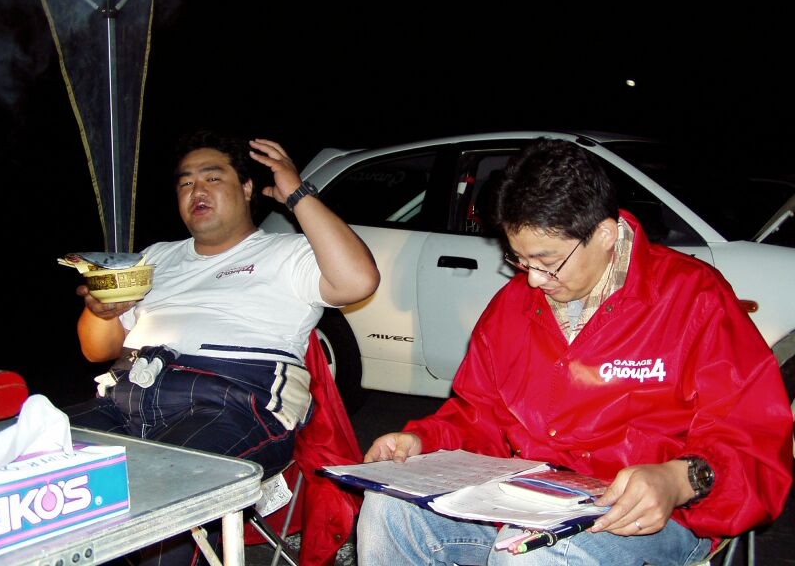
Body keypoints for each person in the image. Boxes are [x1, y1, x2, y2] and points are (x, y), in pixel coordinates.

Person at [356, 138, 793, 566]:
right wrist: (423, 441)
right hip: (530, 499)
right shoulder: (512, 305)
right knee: (390, 510)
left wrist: (680, 480)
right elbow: (480, 414)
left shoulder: (693, 297)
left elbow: (754, 438)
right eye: (519, 260)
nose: (532, 280)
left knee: (537, 555)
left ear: (604, 234)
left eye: (548, 263)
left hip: (650, 515)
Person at [65, 130, 379, 563]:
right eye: (186, 182)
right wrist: (101, 311)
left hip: (231, 402)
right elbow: (96, 351)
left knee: (160, 498)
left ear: (247, 188)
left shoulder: (288, 253)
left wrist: (298, 193)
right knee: (30, 463)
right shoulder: (156, 257)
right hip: (125, 398)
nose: (196, 190)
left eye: (212, 178)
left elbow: (359, 280)